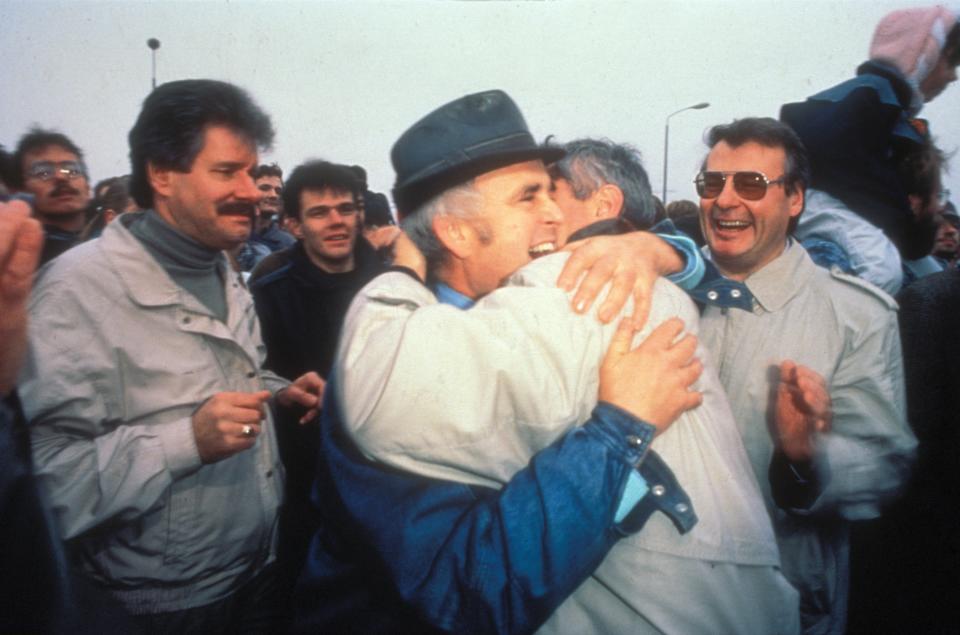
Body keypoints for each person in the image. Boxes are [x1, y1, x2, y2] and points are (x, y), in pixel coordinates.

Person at [321, 90, 798, 634]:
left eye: (552, 192)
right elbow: (473, 591)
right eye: (529, 198)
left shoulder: (548, 307)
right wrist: (618, 428)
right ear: (454, 231)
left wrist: (663, 249)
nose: (554, 215)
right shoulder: (401, 358)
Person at [17, 79, 323, 633]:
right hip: (160, 609)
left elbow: (225, 375)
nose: (253, 191)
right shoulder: (74, 294)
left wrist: (277, 390)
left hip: (260, 572)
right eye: (227, 172)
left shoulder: (220, 267)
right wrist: (185, 442)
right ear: (161, 174)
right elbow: (41, 483)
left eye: (253, 173)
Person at [692, 117, 917, 634]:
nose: (725, 200)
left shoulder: (856, 314)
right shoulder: (662, 294)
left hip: (777, 606)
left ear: (795, 199)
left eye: (750, 184)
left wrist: (807, 457)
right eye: (712, 183)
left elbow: (885, 466)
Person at [250, 160, 389, 590]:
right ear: (293, 224)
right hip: (305, 486)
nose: (336, 222)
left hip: (385, 485)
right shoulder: (269, 295)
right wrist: (282, 393)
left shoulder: (394, 285)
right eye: (319, 212)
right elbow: (250, 376)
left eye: (346, 209)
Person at [781, 5, 960, 294]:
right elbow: (829, 149)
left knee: (931, 278)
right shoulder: (873, 94)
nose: (953, 77)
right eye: (951, 63)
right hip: (819, 199)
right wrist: (898, 211)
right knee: (882, 268)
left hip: (836, 202)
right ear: (924, 56)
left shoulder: (887, 104)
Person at [9, 128, 92, 265]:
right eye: (43, 172)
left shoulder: (115, 242)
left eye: (71, 170)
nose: (61, 177)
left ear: (88, 188)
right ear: (22, 190)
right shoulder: (13, 259)